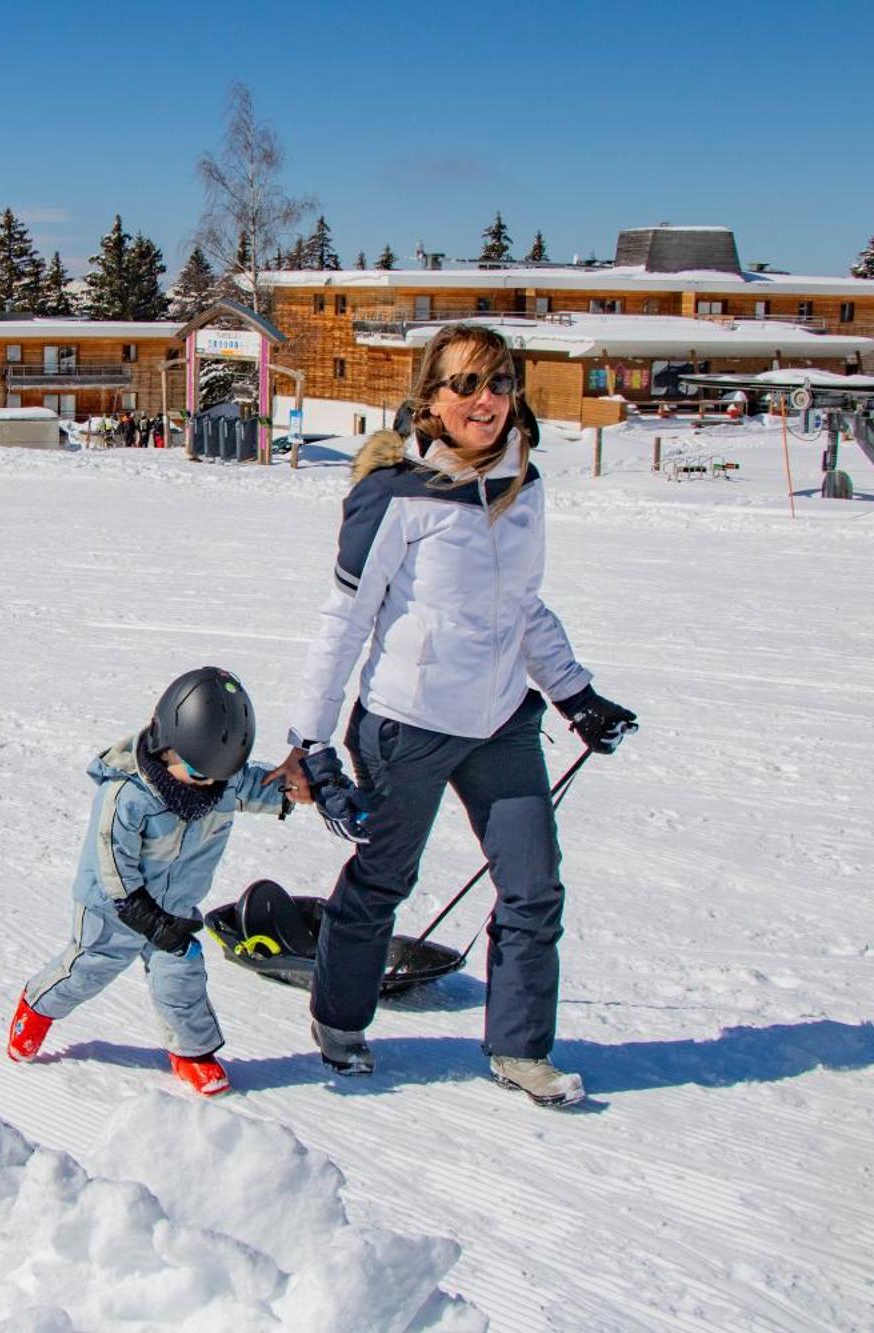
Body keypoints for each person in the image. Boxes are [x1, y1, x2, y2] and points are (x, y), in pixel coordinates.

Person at [269, 324, 636, 1105]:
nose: (485, 400)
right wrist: (311, 742)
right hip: (407, 720)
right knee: (383, 877)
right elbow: (344, 622)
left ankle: (521, 1049)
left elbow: (522, 608)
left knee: (534, 885)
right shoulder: (398, 495)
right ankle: (338, 1019)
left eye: (499, 383)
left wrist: (575, 693)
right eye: (465, 384)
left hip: (501, 719)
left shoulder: (523, 487)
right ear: (431, 399)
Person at [9, 667, 295, 1097]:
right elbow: (113, 869)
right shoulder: (126, 797)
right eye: (201, 774)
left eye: (221, 776)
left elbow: (259, 786)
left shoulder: (219, 782)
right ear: (165, 748)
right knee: (86, 971)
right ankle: (35, 1008)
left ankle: (192, 1053)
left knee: (181, 975)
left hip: (175, 906)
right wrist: (145, 917)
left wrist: (307, 790)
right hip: (115, 909)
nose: (212, 786)